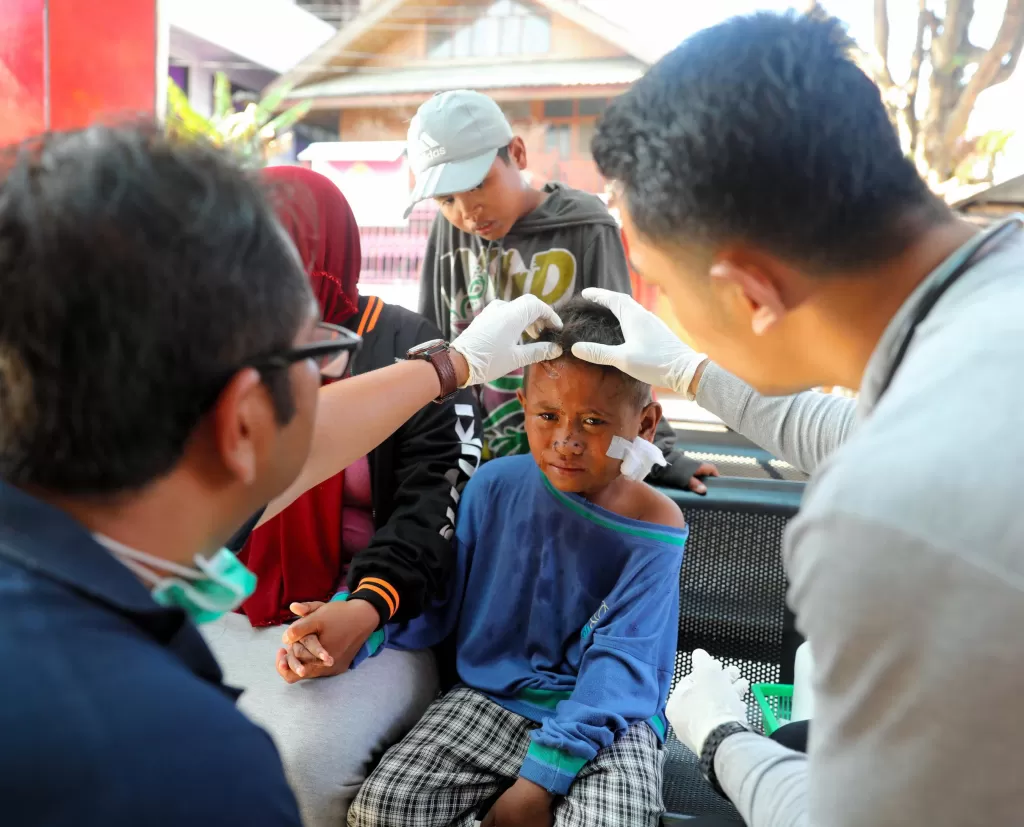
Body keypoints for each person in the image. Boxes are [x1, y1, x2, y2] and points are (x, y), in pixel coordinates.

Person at [0, 125, 560, 826]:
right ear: (244, 418)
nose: (330, 375)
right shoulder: (205, 772)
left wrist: (451, 367)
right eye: (316, 353)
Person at [572, 10, 1024, 827]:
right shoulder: (986, 309)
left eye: (661, 286)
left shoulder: (882, 518)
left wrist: (720, 737)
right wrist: (689, 369)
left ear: (750, 294)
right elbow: (868, 425)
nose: (662, 308)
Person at [198, 166, 481, 827]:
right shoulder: (226, 347)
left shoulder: (412, 350)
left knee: (299, 760)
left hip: (380, 620)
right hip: (235, 599)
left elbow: (436, 498)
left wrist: (367, 605)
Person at [338, 297, 688, 827]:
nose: (566, 441)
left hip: (608, 721)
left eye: (593, 421)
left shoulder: (656, 526)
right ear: (523, 405)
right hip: (493, 697)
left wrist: (537, 783)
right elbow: (438, 603)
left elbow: (622, 669)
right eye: (548, 416)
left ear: (644, 423)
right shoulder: (492, 487)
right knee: (382, 809)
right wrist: (358, 623)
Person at [407, 89, 716, 491]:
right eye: (446, 199)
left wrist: (662, 455)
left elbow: (623, 343)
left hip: (571, 458)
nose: (467, 211)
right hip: (475, 465)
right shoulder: (448, 232)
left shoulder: (586, 226)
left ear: (516, 154)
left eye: (479, 184)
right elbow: (433, 337)